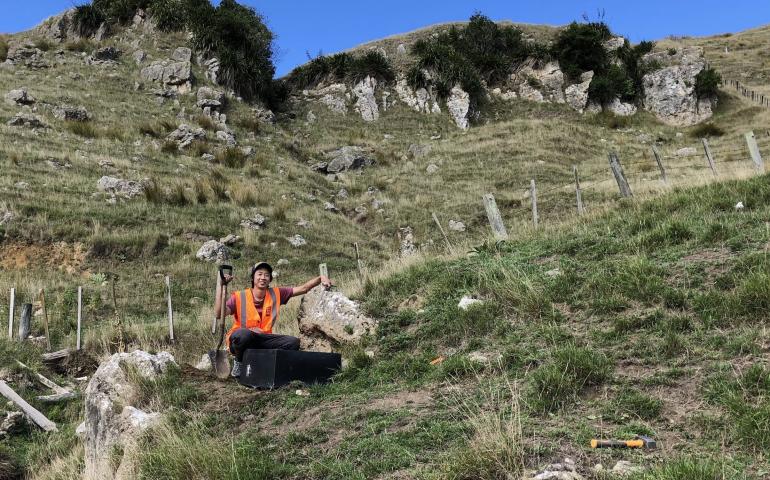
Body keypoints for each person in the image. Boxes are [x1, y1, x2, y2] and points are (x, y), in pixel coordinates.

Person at [214, 261, 332, 377]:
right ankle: (239, 362)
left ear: (270, 279)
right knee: (243, 334)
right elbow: (219, 313)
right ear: (253, 278)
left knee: (293, 343)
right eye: (259, 274)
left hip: (264, 339)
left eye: (266, 275)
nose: (263, 277)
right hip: (242, 339)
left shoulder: (277, 293)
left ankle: (275, 366)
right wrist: (220, 284)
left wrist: (320, 278)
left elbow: (303, 288)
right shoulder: (240, 296)